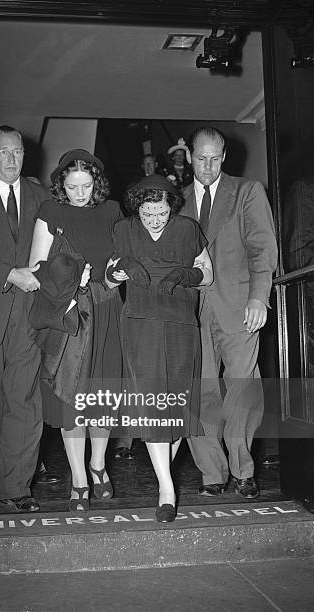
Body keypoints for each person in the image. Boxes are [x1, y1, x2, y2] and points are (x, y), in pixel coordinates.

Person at [107, 174, 212, 522]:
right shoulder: (123, 230)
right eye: (148, 213)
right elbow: (108, 278)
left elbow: (208, 274)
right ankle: (167, 488)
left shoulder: (187, 229)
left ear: (172, 207)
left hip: (181, 322)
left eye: (161, 213)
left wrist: (188, 276)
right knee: (151, 402)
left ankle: (165, 481)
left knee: (177, 403)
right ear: (138, 207)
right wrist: (121, 269)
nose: (154, 220)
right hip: (139, 323)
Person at [182, 126, 278, 498]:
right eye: (200, 158)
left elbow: (262, 248)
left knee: (242, 389)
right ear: (190, 156)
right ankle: (212, 473)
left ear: (225, 157)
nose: (207, 165)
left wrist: (259, 297)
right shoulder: (176, 199)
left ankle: (243, 469)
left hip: (239, 307)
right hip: (190, 312)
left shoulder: (247, 191)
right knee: (201, 392)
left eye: (215, 158)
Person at [29, 149, 123, 511]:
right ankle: (79, 476)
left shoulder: (112, 210)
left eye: (86, 185)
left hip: (107, 305)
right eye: (72, 186)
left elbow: (121, 256)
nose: (80, 193)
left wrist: (117, 274)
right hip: (71, 308)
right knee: (72, 394)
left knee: (103, 393)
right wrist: (71, 275)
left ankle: (98, 466)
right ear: (61, 185)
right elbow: (37, 267)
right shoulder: (51, 211)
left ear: (96, 183)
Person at [0, 125, 53, 513]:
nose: (11, 159)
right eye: (3, 152)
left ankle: (17, 486)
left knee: (24, 398)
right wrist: (10, 273)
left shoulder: (42, 195)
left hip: (30, 315)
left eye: (17, 152)